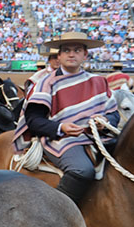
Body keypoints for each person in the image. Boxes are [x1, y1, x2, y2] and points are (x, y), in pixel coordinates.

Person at [13, 32, 119, 206]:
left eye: (77, 50)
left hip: (99, 137)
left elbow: (114, 115)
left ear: (85, 55)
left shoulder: (99, 81)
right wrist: (61, 128)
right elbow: (34, 121)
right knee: (81, 170)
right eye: (67, 50)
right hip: (63, 139)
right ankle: (56, 214)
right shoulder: (46, 83)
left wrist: (105, 122)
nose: (72, 54)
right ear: (59, 55)